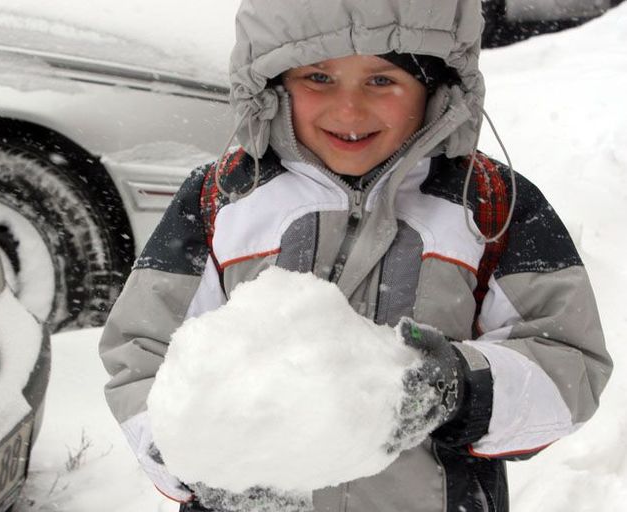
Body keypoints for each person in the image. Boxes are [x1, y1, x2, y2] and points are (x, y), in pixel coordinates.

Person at [99, 0, 612, 511]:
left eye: (381, 80)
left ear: (435, 87)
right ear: (274, 85)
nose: (349, 110)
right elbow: (141, 355)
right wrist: (186, 456)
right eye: (319, 77)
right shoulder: (224, 199)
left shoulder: (490, 204)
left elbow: (570, 365)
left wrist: (458, 386)